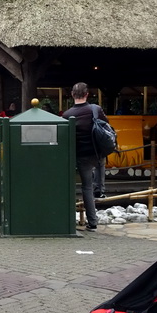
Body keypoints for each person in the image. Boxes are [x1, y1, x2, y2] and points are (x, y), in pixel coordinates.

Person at [62, 82, 103, 231]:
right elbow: (105, 127)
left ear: (72, 94)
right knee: (87, 187)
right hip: (93, 154)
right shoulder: (96, 110)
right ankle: (92, 222)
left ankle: (65, 218)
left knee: (68, 185)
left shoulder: (67, 115)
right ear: (87, 94)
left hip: (74, 154)